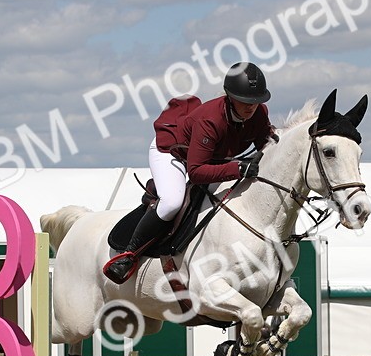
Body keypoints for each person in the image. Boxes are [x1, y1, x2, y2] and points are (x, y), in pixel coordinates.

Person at [102, 62, 278, 284]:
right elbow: (196, 172)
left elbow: (267, 143)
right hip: (173, 152)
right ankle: (128, 255)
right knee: (173, 202)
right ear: (230, 97)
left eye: (255, 101)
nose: (251, 107)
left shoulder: (259, 112)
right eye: (245, 101)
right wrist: (238, 168)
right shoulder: (210, 120)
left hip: (211, 157)